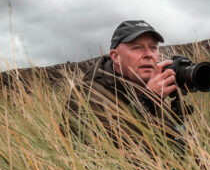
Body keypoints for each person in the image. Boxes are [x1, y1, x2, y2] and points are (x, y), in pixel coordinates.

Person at [63, 20, 192, 156]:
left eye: (153, 48)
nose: (149, 54)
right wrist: (148, 100)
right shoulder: (87, 95)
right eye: (137, 48)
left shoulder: (152, 92)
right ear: (115, 56)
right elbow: (102, 151)